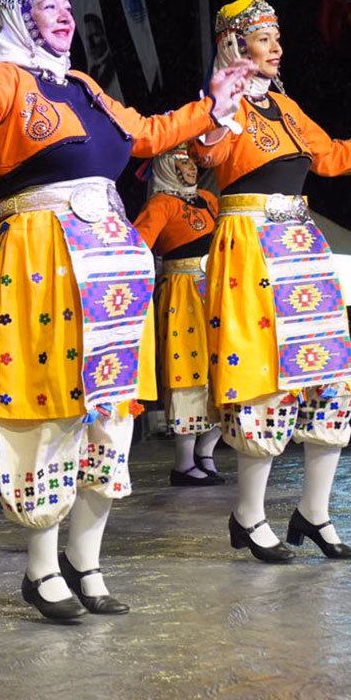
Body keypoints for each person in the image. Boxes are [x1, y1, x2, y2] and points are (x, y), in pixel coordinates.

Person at [0, 0, 252, 621]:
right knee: (51, 405)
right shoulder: (4, 77)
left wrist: (210, 106)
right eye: (47, 4)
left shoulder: (82, 85)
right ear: (16, 16)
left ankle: (87, 561)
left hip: (110, 264)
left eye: (66, 4)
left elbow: (145, 134)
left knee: (110, 411)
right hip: (41, 253)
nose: (64, 14)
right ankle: (41, 568)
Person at [191, 0, 351, 564]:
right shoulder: (218, 107)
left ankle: (314, 512)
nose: (277, 47)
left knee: (332, 377)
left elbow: (328, 155)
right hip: (251, 246)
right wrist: (217, 107)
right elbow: (203, 154)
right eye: (264, 38)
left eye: (277, 37)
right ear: (233, 45)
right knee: (264, 379)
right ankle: (249, 515)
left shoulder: (285, 107)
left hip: (302, 248)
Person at [131, 143, 225, 486]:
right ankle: (184, 463)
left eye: (192, 161)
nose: (191, 168)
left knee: (222, 368)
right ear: (167, 167)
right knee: (187, 369)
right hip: (182, 293)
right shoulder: (160, 205)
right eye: (182, 162)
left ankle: (206, 453)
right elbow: (138, 247)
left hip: (215, 291)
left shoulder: (210, 200)